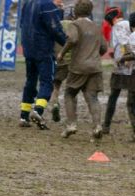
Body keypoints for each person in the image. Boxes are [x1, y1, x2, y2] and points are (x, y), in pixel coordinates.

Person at [57, 0, 107, 141]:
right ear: (90, 12)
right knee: (92, 98)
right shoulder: (96, 27)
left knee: (69, 94)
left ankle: (71, 124)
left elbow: (72, 39)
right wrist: (93, 57)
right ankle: (97, 126)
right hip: (95, 68)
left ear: (75, 12)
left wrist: (62, 53)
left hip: (78, 67)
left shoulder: (75, 25)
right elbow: (103, 48)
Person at [18, 0, 67, 130]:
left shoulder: (28, 4)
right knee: (47, 82)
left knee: (30, 81)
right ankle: (38, 111)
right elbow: (55, 29)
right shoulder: (47, 5)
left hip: (28, 48)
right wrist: (67, 44)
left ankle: (23, 116)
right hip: (43, 50)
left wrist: (59, 11)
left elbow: (22, 24)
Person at [101, 7, 135, 137]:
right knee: (131, 101)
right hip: (130, 68)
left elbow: (124, 43)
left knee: (114, 97)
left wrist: (123, 58)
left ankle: (106, 126)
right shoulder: (126, 23)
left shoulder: (118, 26)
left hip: (123, 68)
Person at [49, 6, 75, 123]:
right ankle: (72, 117)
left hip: (58, 60)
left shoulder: (56, 24)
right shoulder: (75, 26)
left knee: (56, 86)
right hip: (72, 62)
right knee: (71, 90)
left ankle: (54, 104)